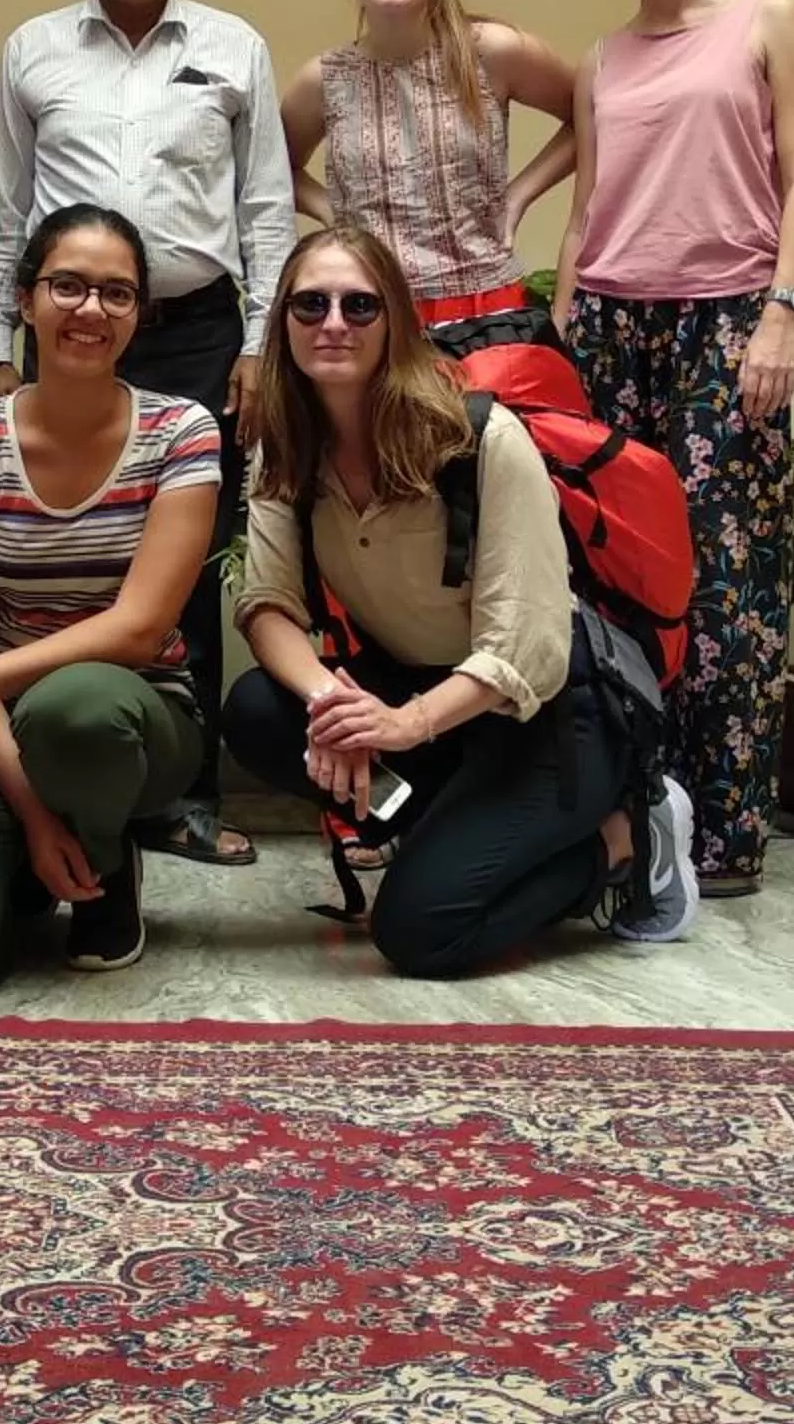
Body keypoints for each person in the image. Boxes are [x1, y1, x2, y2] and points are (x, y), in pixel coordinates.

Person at [223, 228, 696, 978]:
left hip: (545, 714)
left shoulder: (480, 439)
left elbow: (525, 651)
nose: (334, 323)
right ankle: (450, 830)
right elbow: (270, 604)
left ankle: (624, 835)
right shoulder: (285, 443)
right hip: (423, 703)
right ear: (283, 321)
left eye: (360, 306)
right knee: (258, 710)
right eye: (310, 304)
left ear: (396, 325)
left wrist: (404, 725)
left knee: (420, 932)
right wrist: (330, 707)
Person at [0, 0, 289, 868]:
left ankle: (179, 794)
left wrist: (259, 345)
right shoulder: (33, 50)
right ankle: (36, 759)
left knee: (183, 565)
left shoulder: (235, 49)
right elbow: (7, 213)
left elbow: (266, 210)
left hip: (196, 332)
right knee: (49, 546)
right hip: (64, 333)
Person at [554, 0, 794, 898]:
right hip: (614, 329)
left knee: (731, 586)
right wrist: (566, 327)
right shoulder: (601, 60)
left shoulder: (768, 19)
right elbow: (590, 214)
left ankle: (727, 838)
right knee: (614, 583)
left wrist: (783, 312)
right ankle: (635, 817)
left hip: (726, 323)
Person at [0, 206, 221, 992]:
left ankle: (104, 858)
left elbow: (138, 630)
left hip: (134, 721)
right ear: (26, 301)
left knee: (79, 708)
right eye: (67, 286)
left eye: (117, 293)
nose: (91, 310)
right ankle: (41, 853)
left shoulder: (181, 433)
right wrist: (29, 817)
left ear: (141, 314)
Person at [278, 0, 580, 350]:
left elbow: (591, 114)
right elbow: (270, 166)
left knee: (490, 428)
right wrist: (329, 209)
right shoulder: (324, 79)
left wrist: (519, 195)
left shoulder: (491, 52)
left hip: (489, 315)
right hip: (374, 321)